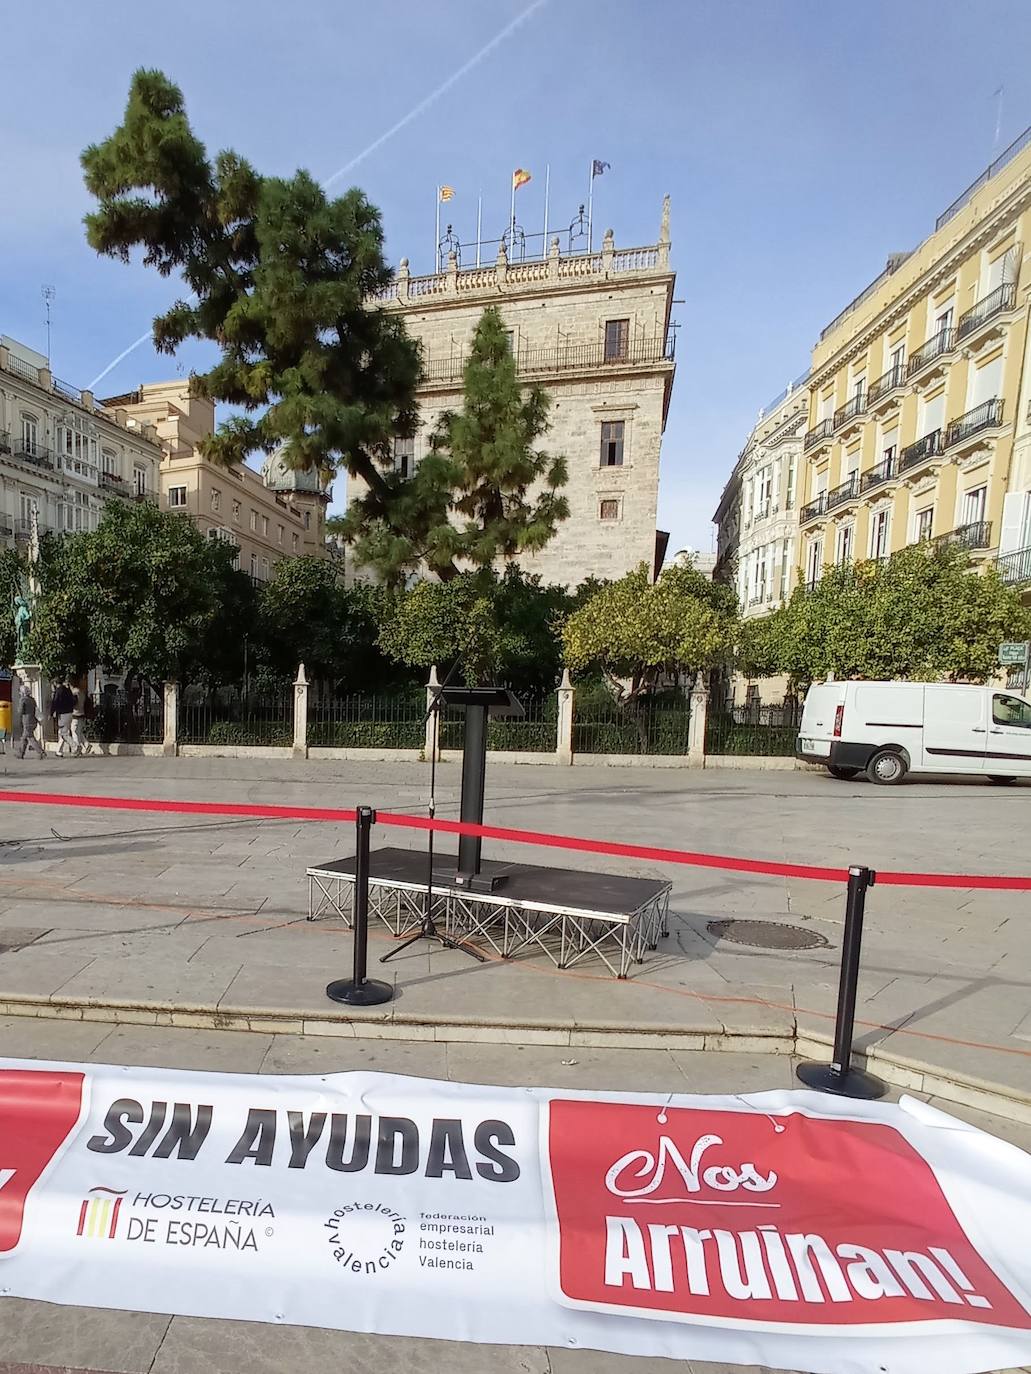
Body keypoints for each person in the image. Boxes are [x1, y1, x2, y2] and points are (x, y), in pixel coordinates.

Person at [16, 685, 45, 759]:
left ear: (22, 692)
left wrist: (18, 709)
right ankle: (21, 753)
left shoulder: (23, 700)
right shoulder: (32, 699)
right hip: (33, 720)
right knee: (24, 738)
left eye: (20, 691)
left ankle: (41, 752)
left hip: (27, 721)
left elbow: (21, 711)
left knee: (30, 737)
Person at [51, 679, 76, 757]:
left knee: (63, 733)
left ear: (55, 683)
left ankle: (75, 746)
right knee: (62, 732)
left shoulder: (58, 691)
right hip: (69, 713)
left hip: (62, 714)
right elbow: (73, 701)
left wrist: (51, 713)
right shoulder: (68, 690)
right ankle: (59, 751)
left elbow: (55, 702)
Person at [71, 682, 93, 757]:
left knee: (74, 732)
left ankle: (77, 748)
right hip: (82, 714)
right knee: (79, 732)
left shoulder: (74, 692)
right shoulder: (82, 693)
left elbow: (73, 703)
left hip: (75, 714)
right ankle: (87, 745)